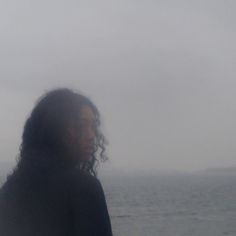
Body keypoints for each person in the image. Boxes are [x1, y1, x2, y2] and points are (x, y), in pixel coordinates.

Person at [0, 88, 113, 236]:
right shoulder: (84, 187)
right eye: (81, 126)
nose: (91, 135)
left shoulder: (11, 188)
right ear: (53, 129)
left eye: (93, 126)